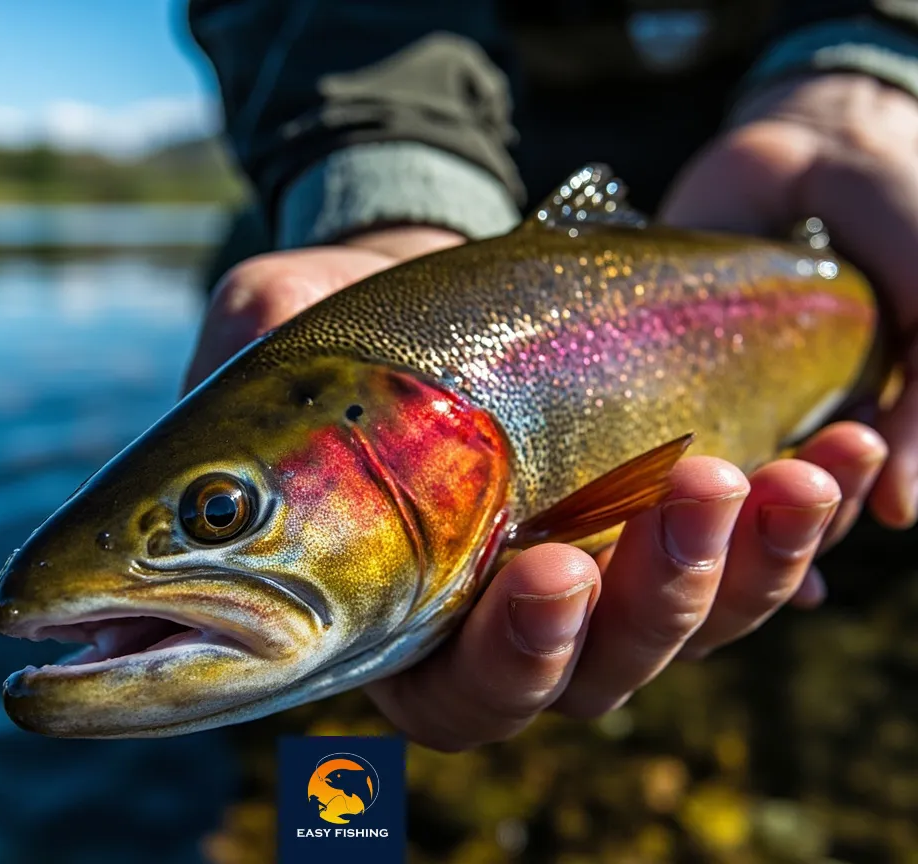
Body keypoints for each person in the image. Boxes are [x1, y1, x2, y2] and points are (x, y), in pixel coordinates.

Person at [184, 0, 918, 751]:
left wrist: (864, 72)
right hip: (447, 128)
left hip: (807, 130)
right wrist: (387, 193)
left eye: (220, 513)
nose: (218, 520)